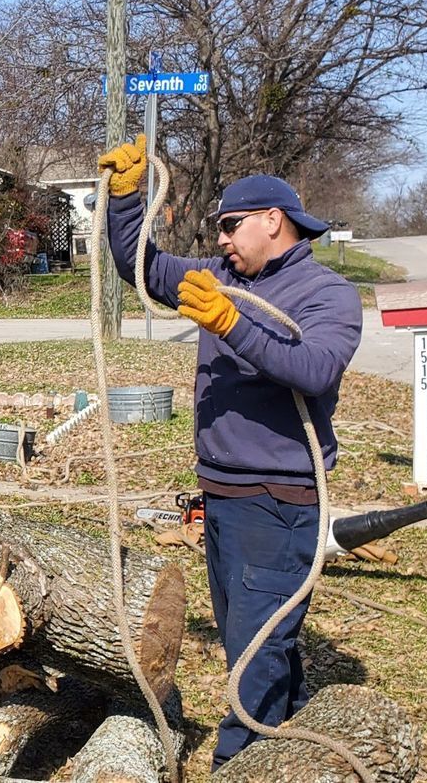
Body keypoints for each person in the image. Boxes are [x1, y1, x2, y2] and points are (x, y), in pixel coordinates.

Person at [98, 136, 363, 766]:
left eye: (231, 226)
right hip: (223, 495)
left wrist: (231, 325)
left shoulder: (328, 294)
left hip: (278, 503)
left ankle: (239, 767)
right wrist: (127, 198)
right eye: (219, 228)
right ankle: (295, 752)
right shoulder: (219, 278)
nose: (220, 239)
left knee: (253, 654)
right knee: (255, 638)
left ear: (275, 221)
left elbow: (316, 368)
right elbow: (139, 263)